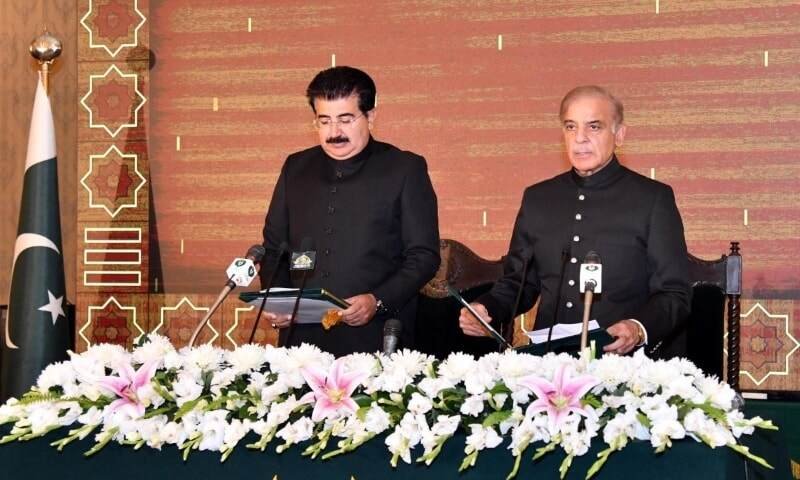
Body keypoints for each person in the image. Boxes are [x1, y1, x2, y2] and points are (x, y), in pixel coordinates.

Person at [459, 85, 691, 358]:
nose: (580, 138)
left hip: (622, 367)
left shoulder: (653, 199)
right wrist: (487, 309)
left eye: (594, 127)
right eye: (571, 127)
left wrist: (637, 327)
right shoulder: (538, 198)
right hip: (548, 364)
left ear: (619, 135)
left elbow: (674, 293)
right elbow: (519, 283)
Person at [261, 66, 440, 356]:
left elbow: (424, 255)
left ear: (370, 116)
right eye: (324, 121)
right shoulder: (296, 168)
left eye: (345, 120)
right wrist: (279, 301)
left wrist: (378, 299)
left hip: (378, 335)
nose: (334, 133)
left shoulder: (405, 169)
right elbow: (274, 249)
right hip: (302, 343)